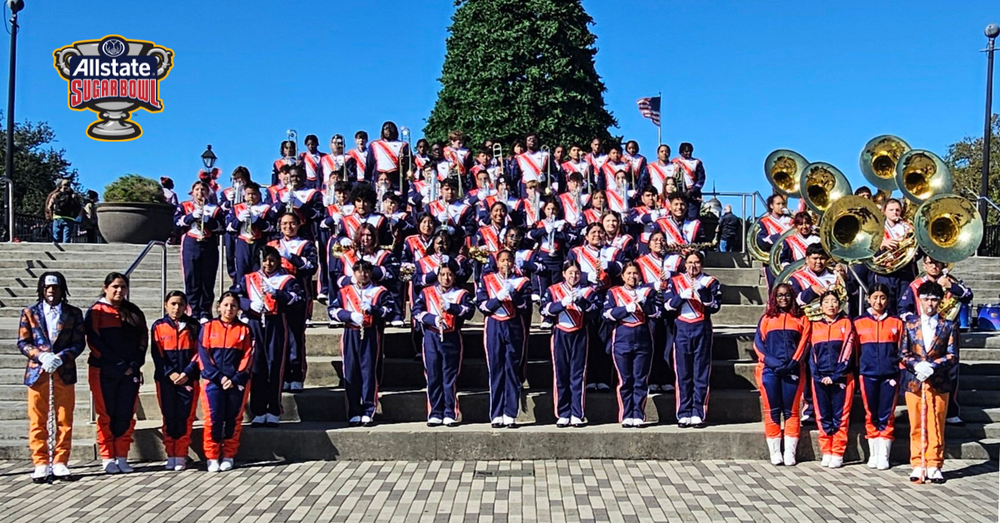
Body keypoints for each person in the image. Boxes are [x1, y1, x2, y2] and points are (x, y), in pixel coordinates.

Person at [17, 272, 85, 482]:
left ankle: (60, 461)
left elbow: (78, 342)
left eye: (55, 287)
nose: (51, 291)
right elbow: (23, 342)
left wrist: (62, 357)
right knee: (38, 418)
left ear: (61, 289)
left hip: (63, 371)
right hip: (38, 372)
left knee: (64, 418)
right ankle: (40, 462)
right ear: (41, 289)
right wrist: (41, 356)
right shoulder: (29, 312)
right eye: (47, 287)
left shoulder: (73, 313)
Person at [898, 255, 973, 425]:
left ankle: (951, 411)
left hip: (946, 334)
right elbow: (902, 308)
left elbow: (968, 295)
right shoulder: (915, 285)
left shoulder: (951, 281)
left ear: (943, 264)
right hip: (921, 334)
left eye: (937, 263)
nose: (934, 266)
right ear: (924, 265)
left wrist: (951, 286)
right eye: (930, 263)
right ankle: (920, 409)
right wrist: (914, 321)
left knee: (951, 372)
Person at [85, 272, 147, 474]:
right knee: (106, 415)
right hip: (104, 371)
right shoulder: (96, 311)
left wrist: (136, 362)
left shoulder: (134, 311)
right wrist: (119, 364)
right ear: (106, 288)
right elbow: (94, 342)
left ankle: (122, 455)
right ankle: (107, 457)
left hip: (130, 372)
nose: (119, 290)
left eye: (123, 287)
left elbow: (142, 339)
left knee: (126, 414)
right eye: (115, 287)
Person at [239, 246, 303, 426]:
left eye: (272, 260)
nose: (268, 264)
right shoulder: (249, 279)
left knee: (275, 365)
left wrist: (278, 294)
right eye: (265, 260)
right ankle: (258, 410)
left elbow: (298, 299)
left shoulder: (287, 279)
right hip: (255, 323)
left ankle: (274, 409)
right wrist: (249, 304)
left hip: (277, 323)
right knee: (257, 367)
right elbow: (235, 297)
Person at [328, 260, 397, 426]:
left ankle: (368, 409)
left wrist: (374, 309)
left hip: (371, 332)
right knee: (351, 372)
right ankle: (353, 410)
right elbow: (332, 310)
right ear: (354, 273)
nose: (363, 274)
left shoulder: (379, 291)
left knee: (368, 371)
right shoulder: (345, 291)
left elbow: (390, 311)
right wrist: (349, 315)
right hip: (350, 332)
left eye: (366, 271)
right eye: (359, 271)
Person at [900, 281, 956, 484]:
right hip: (915, 382)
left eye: (934, 299)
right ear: (919, 300)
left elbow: (952, 356)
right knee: (916, 424)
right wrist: (915, 365)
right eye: (925, 299)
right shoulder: (910, 324)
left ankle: (934, 464)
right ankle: (917, 463)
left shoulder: (947, 325)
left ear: (940, 301)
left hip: (939, 381)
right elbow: (903, 353)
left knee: (936, 424)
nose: (929, 303)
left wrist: (933, 365)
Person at [412, 260, 475, 426]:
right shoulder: (426, 292)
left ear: (454, 276)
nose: (446, 278)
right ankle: (435, 412)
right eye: (442, 275)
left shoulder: (461, 294)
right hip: (431, 337)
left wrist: (451, 307)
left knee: (449, 377)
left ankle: (450, 412)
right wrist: (432, 319)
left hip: (451, 337)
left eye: (449, 275)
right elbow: (416, 311)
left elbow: (468, 312)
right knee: (433, 375)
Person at [754, 283, 810, 466]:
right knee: (772, 411)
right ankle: (775, 452)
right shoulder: (767, 319)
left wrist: (793, 362)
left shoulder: (801, 318)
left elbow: (805, 343)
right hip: (770, 370)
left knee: (791, 411)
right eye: (779, 295)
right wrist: (772, 362)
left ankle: (790, 452)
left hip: (793, 369)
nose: (783, 298)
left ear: (792, 297)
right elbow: (758, 344)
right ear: (774, 298)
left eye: (786, 295)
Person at [664, 251, 722, 428]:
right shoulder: (674, 281)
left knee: (700, 372)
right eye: (689, 262)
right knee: (683, 373)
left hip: (701, 328)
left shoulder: (710, 281)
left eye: (696, 262)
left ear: (702, 264)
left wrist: (702, 292)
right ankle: (683, 411)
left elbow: (715, 306)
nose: (693, 266)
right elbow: (667, 306)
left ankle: (698, 411)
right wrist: (681, 296)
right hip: (682, 329)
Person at [198, 291, 254, 473]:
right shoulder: (208, 327)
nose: (229, 309)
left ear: (238, 309)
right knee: (213, 420)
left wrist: (235, 378)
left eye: (233, 306)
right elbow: (203, 356)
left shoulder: (244, 330)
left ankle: (228, 455)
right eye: (226, 305)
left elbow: (248, 357)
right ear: (219, 306)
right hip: (213, 382)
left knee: (233, 419)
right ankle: (212, 456)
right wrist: (219, 377)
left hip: (236, 382)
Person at [541, 261, 600, 427]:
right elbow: (544, 309)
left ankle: (577, 412)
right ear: (564, 274)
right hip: (560, 333)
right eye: (570, 273)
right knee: (561, 374)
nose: (573, 276)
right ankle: (563, 412)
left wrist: (581, 302)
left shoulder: (587, 291)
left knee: (578, 374)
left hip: (580, 333)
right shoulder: (553, 290)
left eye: (577, 273)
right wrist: (561, 304)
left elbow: (595, 312)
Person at [477, 250, 532, 428]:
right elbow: (482, 305)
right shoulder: (487, 280)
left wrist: (513, 293)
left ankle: (510, 413)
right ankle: (496, 413)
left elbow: (524, 306)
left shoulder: (522, 282)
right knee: (496, 369)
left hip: (514, 325)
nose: (506, 264)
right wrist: (498, 299)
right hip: (494, 325)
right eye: (502, 260)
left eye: (509, 260)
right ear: (497, 263)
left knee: (512, 369)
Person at [854, 283, 903, 470]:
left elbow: (901, 349)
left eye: (882, 297)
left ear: (887, 300)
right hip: (867, 374)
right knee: (871, 413)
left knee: (887, 414)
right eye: (875, 297)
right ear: (868, 299)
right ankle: (873, 452)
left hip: (890, 375)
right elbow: (856, 351)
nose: (878, 301)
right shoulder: (858, 322)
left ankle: (884, 454)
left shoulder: (896, 322)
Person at [603, 262, 658, 428]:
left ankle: (638, 413)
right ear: (622, 276)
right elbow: (607, 314)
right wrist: (626, 309)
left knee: (640, 379)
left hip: (643, 339)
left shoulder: (647, 292)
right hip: (621, 338)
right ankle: (627, 413)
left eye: (635, 273)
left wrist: (645, 303)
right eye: (629, 273)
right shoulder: (614, 292)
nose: (632, 276)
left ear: (640, 276)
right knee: (625, 379)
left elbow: (657, 312)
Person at [150, 291, 200, 472]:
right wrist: (169, 372)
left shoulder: (194, 326)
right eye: (172, 304)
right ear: (165, 305)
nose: (176, 308)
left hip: (188, 379)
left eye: (180, 304)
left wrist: (187, 372)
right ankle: (170, 453)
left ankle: (181, 454)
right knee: (169, 416)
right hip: (165, 380)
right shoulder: (158, 326)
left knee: (185, 417)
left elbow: (198, 353)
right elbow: (157, 353)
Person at [268, 213, 316, 390]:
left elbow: (312, 267)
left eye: (292, 223)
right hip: (275, 296)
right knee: (278, 337)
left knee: (295, 336)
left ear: (298, 224)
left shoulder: (306, 244)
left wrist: (291, 257)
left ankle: (296, 375)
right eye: (285, 224)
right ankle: (280, 376)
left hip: (298, 296)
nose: (288, 227)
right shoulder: (271, 244)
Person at [808, 291, 856, 469]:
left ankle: (838, 451)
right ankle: (826, 449)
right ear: (820, 306)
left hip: (841, 377)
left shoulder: (846, 324)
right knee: (823, 415)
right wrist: (819, 376)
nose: (830, 305)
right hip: (820, 379)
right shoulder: (814, 326)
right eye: (826, 302)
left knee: (840, 416)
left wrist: (836, 375)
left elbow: (848, 351)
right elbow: (811, 354)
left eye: (834, 301)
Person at [175, 180, 224, 323]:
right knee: (191, 278)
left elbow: (221, 228)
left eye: (203, 190)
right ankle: (193, 310)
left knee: (207, 279)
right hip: (191, 244)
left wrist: (208, 220)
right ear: (192, 192)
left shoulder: (215, 209)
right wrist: (191, 216)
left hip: (208, 245)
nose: (200, 192)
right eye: (197, 190)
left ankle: (205, 311)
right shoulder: (184, 206)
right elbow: (177, 223)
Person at [227, 181, 276, 285]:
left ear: (259, 195)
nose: (251, 197)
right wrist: (239, 220)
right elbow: (230, 228)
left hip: (259, 243)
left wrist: (257, 220)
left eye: (253, 194)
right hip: (242, 243)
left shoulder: (266, 208)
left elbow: (270, 227)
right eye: (248, 194)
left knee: (258, 271)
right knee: (241, 270)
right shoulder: (237, 208)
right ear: (244, 195)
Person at [649, 192, 701, 270]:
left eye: (682, 204)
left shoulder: (695, 224)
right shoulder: (660, 223)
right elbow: (652, 246)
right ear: (670, 207)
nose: (679, 207)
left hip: (688, 266)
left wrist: (693, 252)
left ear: (686, 207)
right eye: (676, 204)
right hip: (667, 264)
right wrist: (666, 246)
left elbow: (702, 249)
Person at [366, 121, 412, 194]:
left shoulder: (403, 145)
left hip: (397, 180)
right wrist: (368, 181)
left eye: (391, 128)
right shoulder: (374, 145)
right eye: (386, 128)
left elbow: (410, 164)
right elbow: (369, 165)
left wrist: (404, 161)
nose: (389, 131)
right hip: (379, 178)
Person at [47, 179, 81, 244]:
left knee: (56, 239)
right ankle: (65, 253)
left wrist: (51, 216)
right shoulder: (73, 195)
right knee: (66, 239)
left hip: (57, 217)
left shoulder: (56, 195)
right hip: (69, 218)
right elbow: (79, 207)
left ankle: (56, 253)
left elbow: (49, 206)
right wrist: (74, 216)